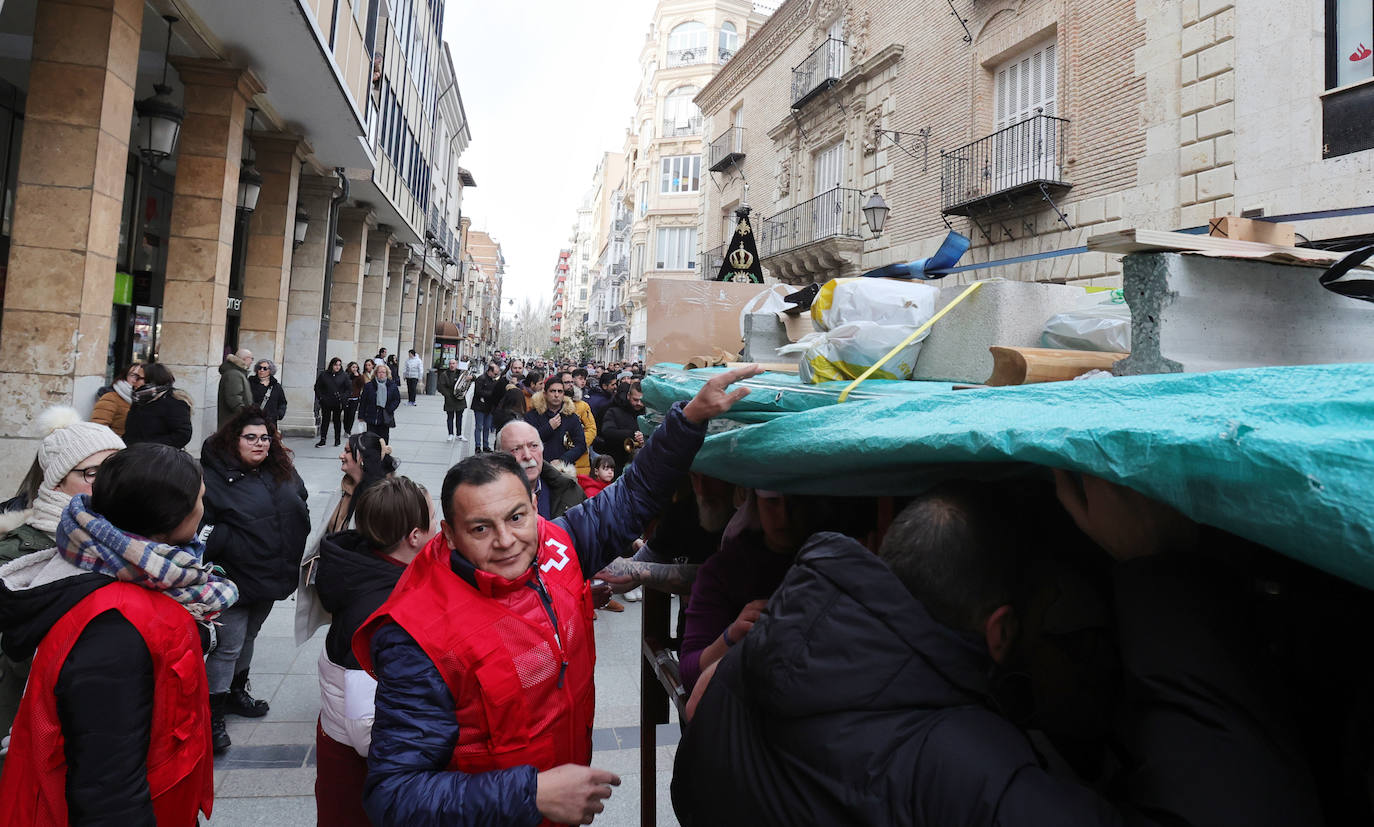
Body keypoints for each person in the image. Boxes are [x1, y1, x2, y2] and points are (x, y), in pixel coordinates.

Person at [672, 477, 1324, 827]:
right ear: (1001, 632)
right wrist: (1162, 570)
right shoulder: (977, 774)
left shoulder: (738, 678)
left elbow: (689, 790)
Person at [353, 366, 761, 826]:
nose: (506, 540)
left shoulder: (558, 543)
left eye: (517, 517)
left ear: (534, 505)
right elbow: (394, 793)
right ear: (447, 536)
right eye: (481, 528)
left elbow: (633, 495)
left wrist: (688, 419)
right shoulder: (417, 635)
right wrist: (531, 793)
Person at [0, 444, 236, 825]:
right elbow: (108, 784)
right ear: (172, 516)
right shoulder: (117, 625)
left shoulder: (133, 580)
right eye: (201, 499)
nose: (204, 508)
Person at [314, 476, 437, 827]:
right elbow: (366, 726)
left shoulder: (365, 565)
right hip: (364, 771)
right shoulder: (379, 613)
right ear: (413, 537)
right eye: (432, 517)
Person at [0, 408, 125, 740]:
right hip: (27, 729)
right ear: (56, 481)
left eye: (118, 469)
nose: (111, 482)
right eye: (94, 472)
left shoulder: (131, 542)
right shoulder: (18, 555)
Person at [677, 491, 872, 694]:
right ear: (755, 502)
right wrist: (732, 636)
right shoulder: (724, 570)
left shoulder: (840, 561)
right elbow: (690, 672)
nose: (784, 515)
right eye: (772, 502)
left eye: (796, 502)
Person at [199, 407, 311, 753]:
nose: (260, 443)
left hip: (271, 572)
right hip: (232, 577)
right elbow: (200, 526)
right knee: (227, 644)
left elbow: (300, 498)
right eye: (251, 437)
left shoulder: (280, 470)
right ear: (234, 440)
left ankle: (236, 692)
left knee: (249, 635)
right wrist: (226, 542)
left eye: (265, 437)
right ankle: (211, 712)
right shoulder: (211, 476)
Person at [295, 432, 400, 646]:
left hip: (363, 590)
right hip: (339, 586)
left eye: (347, 451)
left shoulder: (382, 500)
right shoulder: (343, 489)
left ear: (361, 459)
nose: (341, 456)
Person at [497, 420, 586, 521]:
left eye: (534, 446)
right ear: (500, 457)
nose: (528, 456)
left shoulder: (571, 491)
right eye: (516, 449)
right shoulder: (487, 501)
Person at [123, 362, 194, 449]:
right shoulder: (139, 399)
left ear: (152, 380)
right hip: (133, 454)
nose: (134, 381)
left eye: (138, 378)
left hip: (159, 457)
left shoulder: (174, 401)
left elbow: (182, 435)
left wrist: (150, 447)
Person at [525, 376, 586, 468]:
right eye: (553, 391)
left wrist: (563, 460)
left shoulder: (571, 417)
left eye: (560, 391)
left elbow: (581, 445)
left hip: (563, 469)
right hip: (537, 467)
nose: (556, 395)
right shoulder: (532, 415)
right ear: (545, 394)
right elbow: (527, 442)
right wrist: (548, 428)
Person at [597, 380, 645, 472]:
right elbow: (607, 431)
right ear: (628, 396)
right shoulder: (614, 411)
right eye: (635, 400)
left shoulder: (650, 414)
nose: (639, 403)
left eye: (642, 400)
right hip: (618, 462)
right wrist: (633, 434)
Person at [91, 362, 143, 436]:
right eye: (133, 375)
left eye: (140, 376)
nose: (136, 379)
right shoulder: (110, 398)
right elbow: (98, 427)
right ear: (125, 376)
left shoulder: (146, 399)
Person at [359, 363, 402, 444]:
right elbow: (363, 401)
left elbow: (396, 399)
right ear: (376, 373)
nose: (381, 374)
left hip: (384, 417)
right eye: (379, 372)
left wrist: (390, 409)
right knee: (371, 440)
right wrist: (361, 416)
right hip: (371, 416)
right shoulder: (369, 386)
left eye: (383, 372)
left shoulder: (392, 385)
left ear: (387, 374)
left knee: (383, 440)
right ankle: (372, 455)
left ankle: (383, 455)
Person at [315, 356, 351, 448]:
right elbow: (317, 387)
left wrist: (343, 397)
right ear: (332, 365)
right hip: (326, 401)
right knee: (325, 420)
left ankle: (337, 439)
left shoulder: (344, 375)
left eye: (339, 365)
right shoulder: (324, 375)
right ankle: (323, 439)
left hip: (338, 402)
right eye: (335, 365)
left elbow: (348, 389)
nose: (337, 367)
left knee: (337, 420)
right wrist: (321, 398)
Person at [471, 362, 504, 453]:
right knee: (479, 427)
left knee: (487, 427)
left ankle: (485, 445)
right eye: (495, 373)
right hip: (479, 407)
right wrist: (492, 395)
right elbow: (478, 392)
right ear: (489, 371)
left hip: (490, 407)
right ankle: (478, 446)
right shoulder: (481, 379)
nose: (496, 375)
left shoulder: (495, 380)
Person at [217, 347, 254, 429]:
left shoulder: (237, 373)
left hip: (235, 422)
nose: (252, 362)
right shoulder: (234, 374)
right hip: (233, 423)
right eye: (252, 359)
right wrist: (246, 416)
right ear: (245, 359)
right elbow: (234, 400)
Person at [437, 358, 471, 443]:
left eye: (454, 363)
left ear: (456, 364)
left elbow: (472, 379)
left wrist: (471, 377)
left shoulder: (461, 373)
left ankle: (459, 434)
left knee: (459, 417)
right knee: (450, 417)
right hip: (450, 399)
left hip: (459, 399)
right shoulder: (444, 374)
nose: (452, 365)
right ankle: (450, 434)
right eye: (450, 364)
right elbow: (440, 387)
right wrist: (447, 395)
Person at [250, 358, 288, 432]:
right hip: (254, 420)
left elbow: (282, 402)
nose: (261, 370)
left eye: (265, 368)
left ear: (270, 370)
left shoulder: (276, 386)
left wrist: (279, 414)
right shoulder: (250, 383)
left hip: (271, 422)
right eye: (259, 368)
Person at [344, 361, 365, 436]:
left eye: (356, 367)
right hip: (346, 398)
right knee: (346, 415)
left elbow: (361, 385)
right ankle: (346, 429)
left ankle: (348, 431)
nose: (354, 369)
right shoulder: (345, 375)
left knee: (352, 415)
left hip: (355, 398)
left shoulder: (359, 376)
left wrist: (358, 376)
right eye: (353, 367)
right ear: (349, 368)